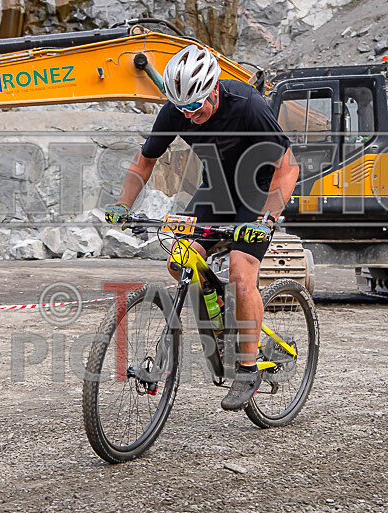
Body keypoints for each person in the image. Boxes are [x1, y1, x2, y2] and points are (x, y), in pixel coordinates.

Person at [105, 45, 299, 411]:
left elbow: (287, 167)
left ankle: (246, 368)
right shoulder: (177, 108)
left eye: (196, 108)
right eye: (182, 110)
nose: (190, 117)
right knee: (179, 260)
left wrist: (267, 219)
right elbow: (146, 160)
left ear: (213, 90)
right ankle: (223, 314)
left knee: (243, 274)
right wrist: (123, 205)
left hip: (256, 194)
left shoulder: (248, 105)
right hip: (216, 192)